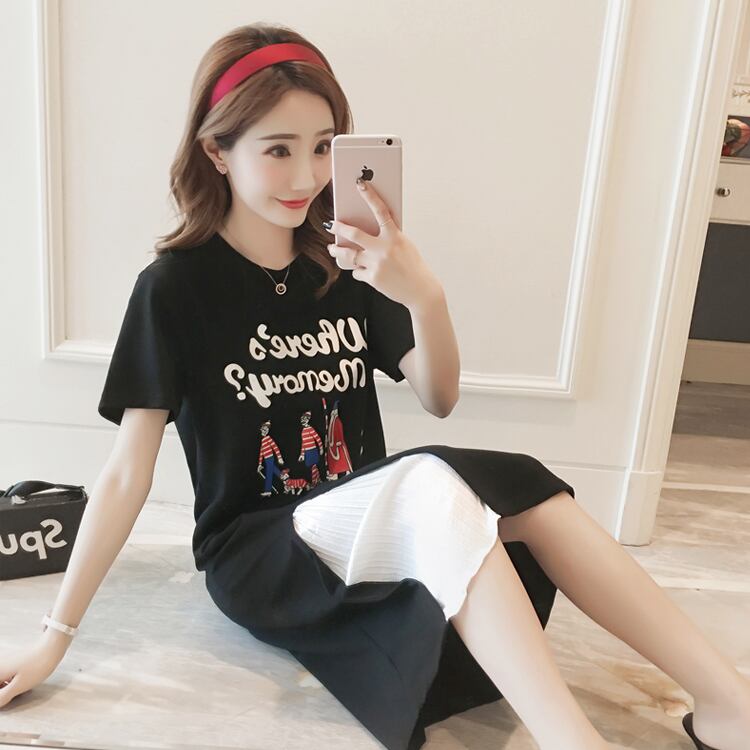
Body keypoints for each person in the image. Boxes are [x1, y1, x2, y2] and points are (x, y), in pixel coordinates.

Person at [1, 22, 748, 750]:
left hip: (373, 520)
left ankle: (728, 703)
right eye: (278, 149)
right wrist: (54, 638)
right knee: (431, 485)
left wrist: (423, 294)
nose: (307, 177)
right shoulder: (174, 288)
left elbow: (439, 397)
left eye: (324, 146)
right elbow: (127, 472)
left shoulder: (345, 263)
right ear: (217, 152)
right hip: (261, 552)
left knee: (527, 489)